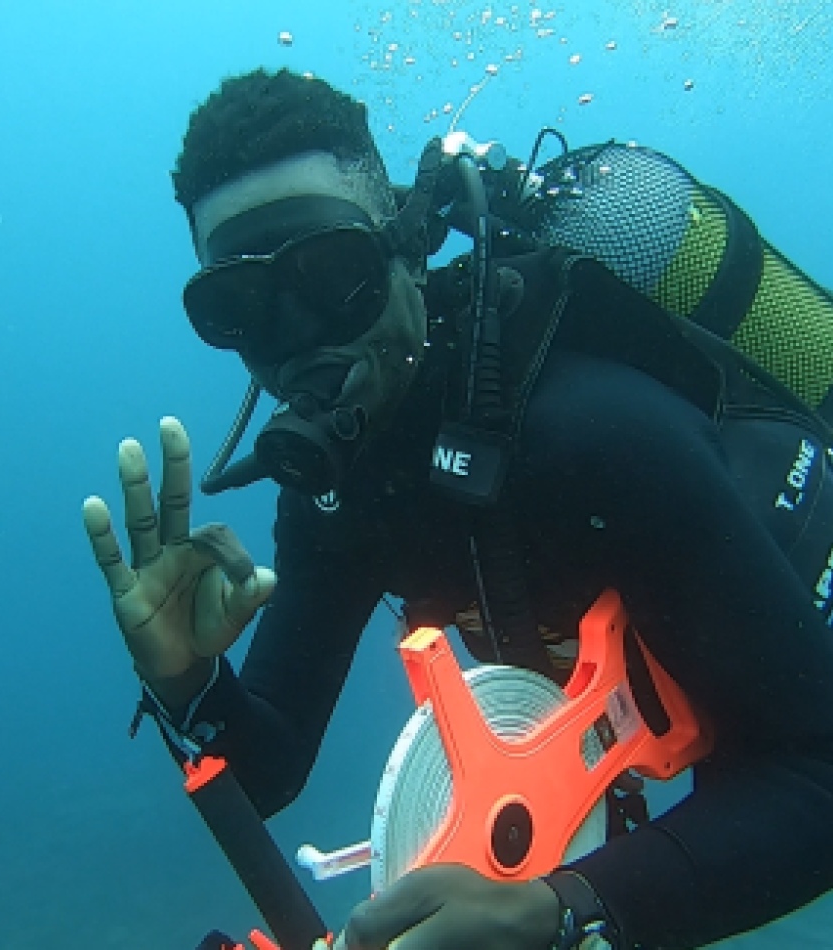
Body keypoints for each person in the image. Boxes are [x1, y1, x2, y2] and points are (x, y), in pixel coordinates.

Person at [82, 68, 833, 949]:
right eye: (243, 306)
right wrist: (189, 682)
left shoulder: (597, 435)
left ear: (407, 249)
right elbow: (267, 770)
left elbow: (814, 776)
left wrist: (563, 912)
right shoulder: (336, 492)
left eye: (333, 277)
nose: (300, 339)